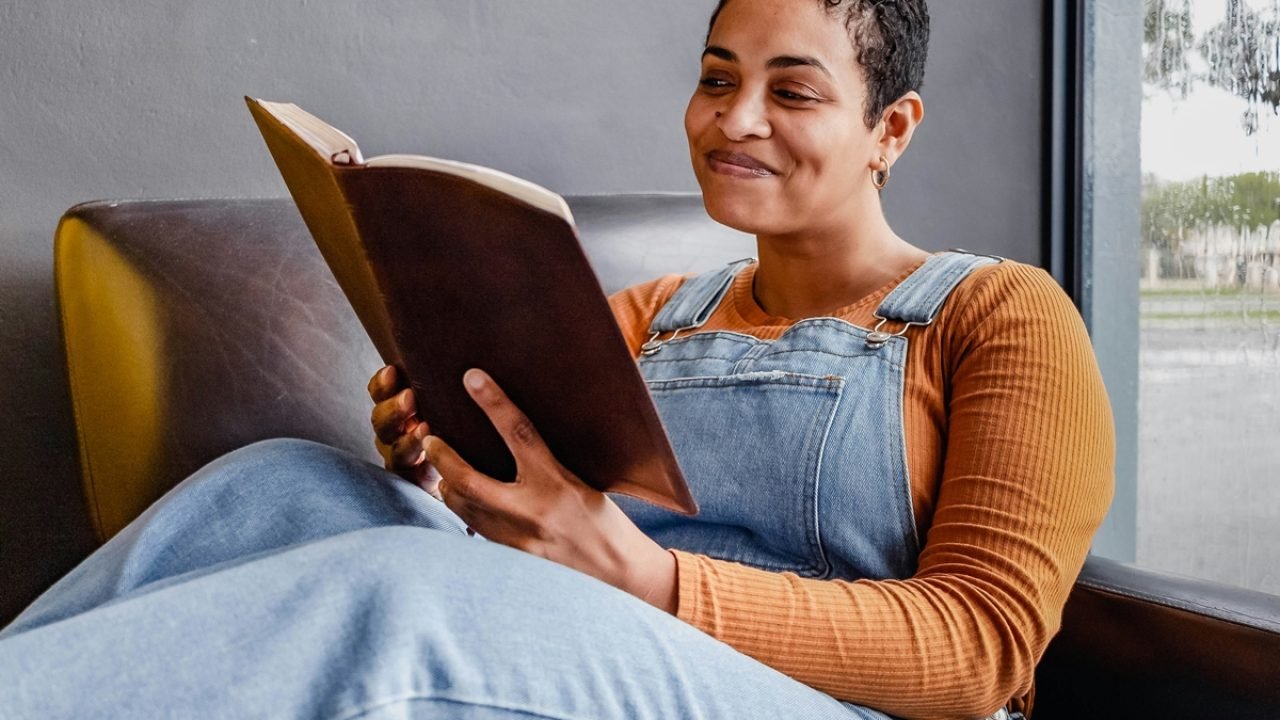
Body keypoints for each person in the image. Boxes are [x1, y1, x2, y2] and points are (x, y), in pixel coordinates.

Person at [0, 0, 1113, 718]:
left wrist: (645, 576)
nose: (735, 120)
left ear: (891, 129)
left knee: (407, 597)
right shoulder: (648, 313)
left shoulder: (996, 315)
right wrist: (442, 458)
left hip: (830, 699)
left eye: (792, 90)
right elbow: (541, 535)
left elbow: (984, 650)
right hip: (603, 641)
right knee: (279, 482)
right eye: (717, 78)